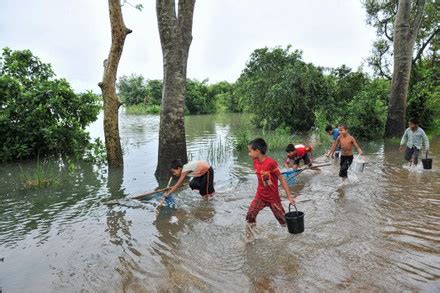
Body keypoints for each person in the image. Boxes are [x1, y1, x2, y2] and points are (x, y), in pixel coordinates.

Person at [246, 138, 295, 242]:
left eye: (250, 151)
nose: (248, 153)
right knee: (250, 215)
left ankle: (293, 235)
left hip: (273, 198)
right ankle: (249, 239)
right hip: (260, 196)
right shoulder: (255, 162)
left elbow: (281, 179)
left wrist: (289, 196)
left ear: (257, 151)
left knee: (282, 220)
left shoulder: (271, 163)